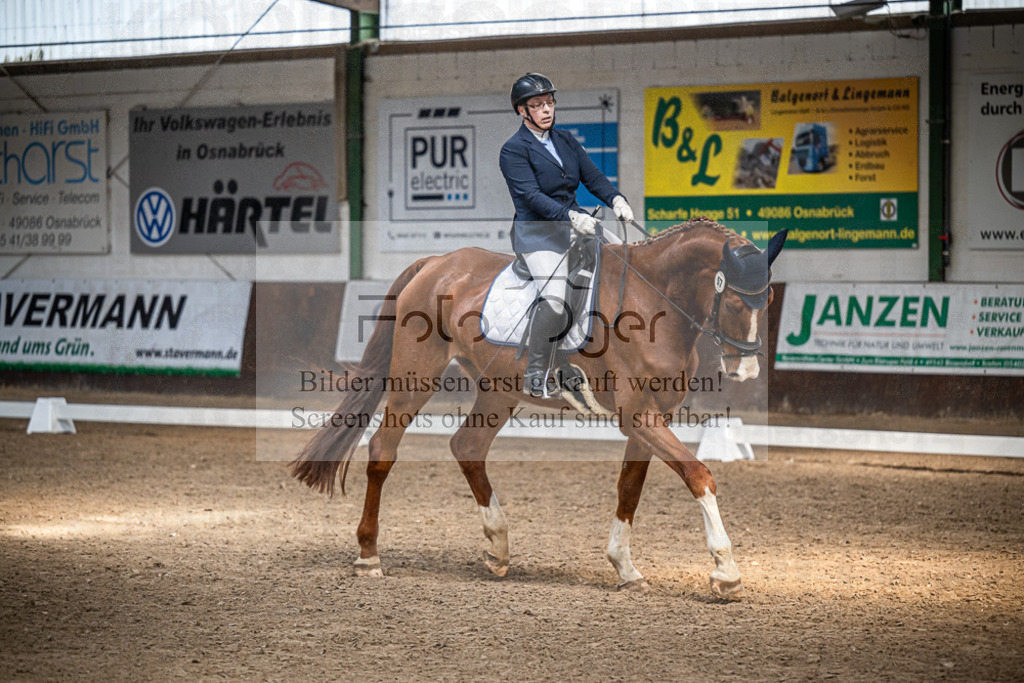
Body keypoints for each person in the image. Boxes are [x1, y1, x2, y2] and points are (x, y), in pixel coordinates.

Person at [498, 73, 634, 398]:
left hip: (577, 226)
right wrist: (571, 216)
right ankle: (536, 371)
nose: (546, 109)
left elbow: (593, 177)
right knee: (556, 297)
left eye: (549, 102)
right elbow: (530, 196)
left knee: (628, 262)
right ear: (522, 111)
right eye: (537, 105)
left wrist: (616, 199)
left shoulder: (566, 141)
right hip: (539, 234)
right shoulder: (513, 150)